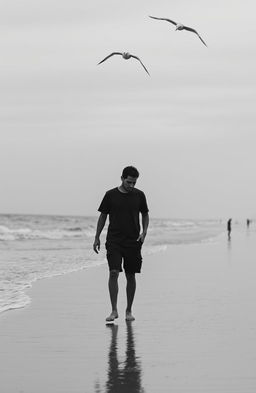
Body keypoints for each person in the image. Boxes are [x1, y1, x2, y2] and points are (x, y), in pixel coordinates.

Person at [93, 166, 149, 322]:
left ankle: (129, 310)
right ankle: (114, 310)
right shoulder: (110, 195)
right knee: (113, 272)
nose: (131, 186)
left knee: (130, 276)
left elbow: (145, 214)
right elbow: (103, 216)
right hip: (114, 241)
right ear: (122, 178)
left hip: (133, 241)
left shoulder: (139, 195)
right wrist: (97, 237)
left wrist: (144, 232)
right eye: (129, 182)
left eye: (134, 183)